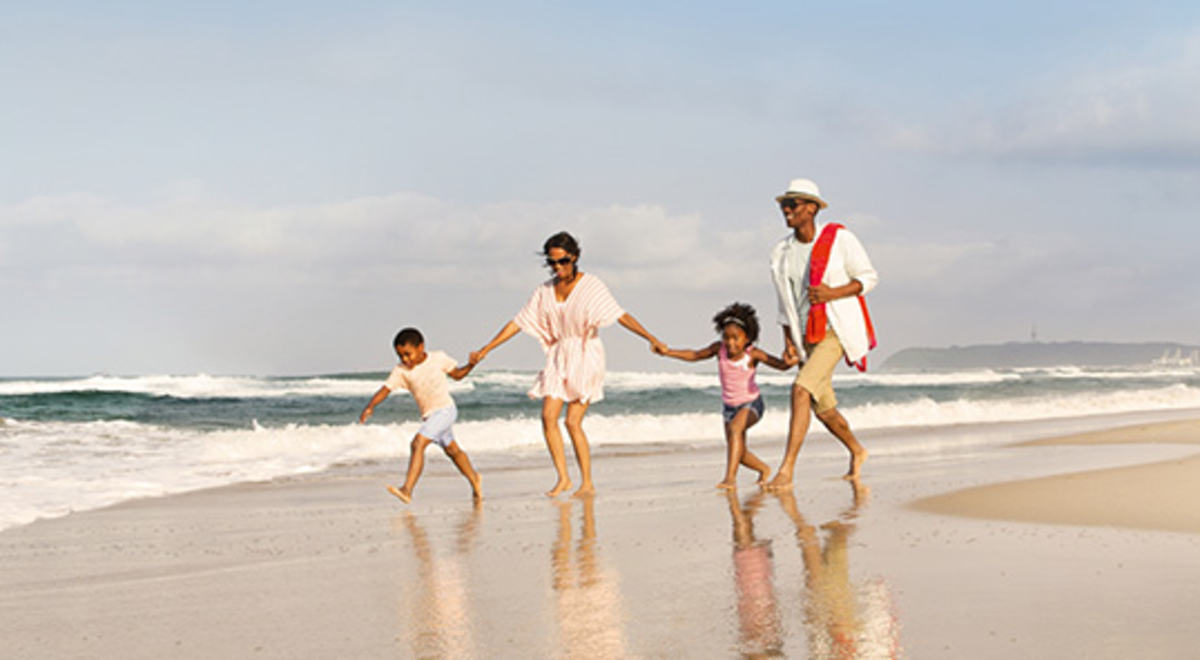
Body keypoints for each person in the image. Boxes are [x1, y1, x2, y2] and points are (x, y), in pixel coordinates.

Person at [471, 231, 666, 498]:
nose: (557, 268)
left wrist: (651, 338)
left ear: (574, 257)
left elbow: (619, 315)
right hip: (558, 354)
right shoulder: (544, 291)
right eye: (552, 263)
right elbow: (518, 322)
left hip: (586, 354)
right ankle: (563, 478)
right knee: (547, 416)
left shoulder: (592, 285)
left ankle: (587, 482)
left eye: (562, 261)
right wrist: (487, 348)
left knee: (573, 422)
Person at [766, 178, 879, 489]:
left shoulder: (840, 239)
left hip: (835, 329)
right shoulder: (781, 252)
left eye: (793, 204)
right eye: (783, 205)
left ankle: (786, 470)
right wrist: (788, 341)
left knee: (800, 390)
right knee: (824, 409)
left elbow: (868, 278)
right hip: (806, 337)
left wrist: (833, 293)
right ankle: (857, 450)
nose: (786, 210)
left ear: (812, 208)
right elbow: (783, 301)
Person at [655, 302, 796, 489]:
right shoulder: (718, 349)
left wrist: (791, 360)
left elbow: (780, 365)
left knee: (736, 430)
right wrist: (668, 352)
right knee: (738, 451)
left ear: (747, 338)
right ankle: (763, 469)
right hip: (729, 407)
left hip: (752, 404)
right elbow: (695, 355)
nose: (730, 343)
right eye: (726, 337)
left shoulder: (752, 354)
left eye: (735, 338)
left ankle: (730, 479)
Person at [359, 327, 482, 503]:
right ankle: (474, 479)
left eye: (408, 354)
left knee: (418, 443)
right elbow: (386, 389)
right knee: (453, 451)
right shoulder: (401, 370)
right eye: (400, 355)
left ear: (421, 347)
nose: (405, 359)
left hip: (446, 410)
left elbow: (457, 375)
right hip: (430, 416)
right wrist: (370, 405)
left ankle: (407, 489)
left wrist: (471, 364)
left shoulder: (438, 358)